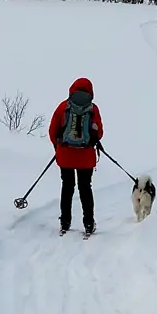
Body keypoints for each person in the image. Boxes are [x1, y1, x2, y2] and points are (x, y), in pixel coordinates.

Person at [49, 77, 103, 235]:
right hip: (85, 157)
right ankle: (88, 223)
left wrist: (58, 148)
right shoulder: (93, 109)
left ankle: (65, 222)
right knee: (85, 188)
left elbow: (52, 131)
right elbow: (99, 132)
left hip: (65, 156)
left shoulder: (63, 107)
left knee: (67, 187)